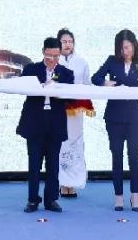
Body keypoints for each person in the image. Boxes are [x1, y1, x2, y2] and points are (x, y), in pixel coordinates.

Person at [91, 29, 138, 212]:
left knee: (134, 156)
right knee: (117, 156)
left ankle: (135, 196)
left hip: (134, 117)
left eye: (128, 47)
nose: (125, 51)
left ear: (134, 45)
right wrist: (105, 83)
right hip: (114, 117)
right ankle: (118, 197)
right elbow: (95, 78)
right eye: (122, 48)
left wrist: (124, 87)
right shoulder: (112, 61)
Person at [17, 37, 74, 213]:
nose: (52, 59)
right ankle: (33, 200)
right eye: (49, 55)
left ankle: (51, 200)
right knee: (34, 163)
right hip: (35, 122)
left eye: (56, 56)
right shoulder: (31, 69)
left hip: (55, 123)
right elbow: (22, 87)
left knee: (53, 164)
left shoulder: (66, 73)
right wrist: (43, 87)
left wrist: (59, 92)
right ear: (43, 52)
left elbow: (71, 98)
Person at [56, 28, 93, 199]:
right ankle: (63, 183)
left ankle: (74, 183)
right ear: (59, 43)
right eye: (64, 41)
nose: (68, 44)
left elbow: (87, 84)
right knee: (61, 143)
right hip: (58, 109)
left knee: (76, 144)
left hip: (76, 111)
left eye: (70, 41)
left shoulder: (81, 62)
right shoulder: (53, 61)